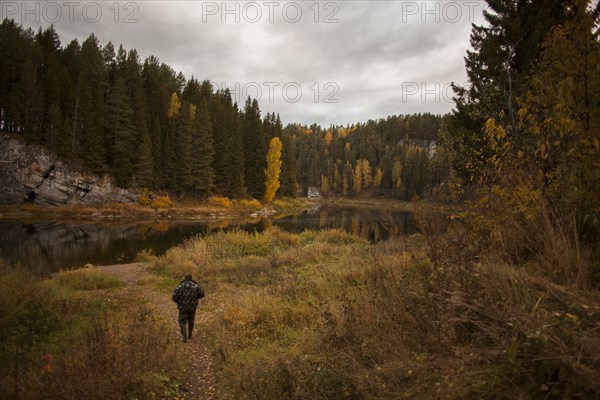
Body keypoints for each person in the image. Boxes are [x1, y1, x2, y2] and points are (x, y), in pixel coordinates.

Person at [172, 273, 205, 343]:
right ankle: (190, 335)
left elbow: (174, 297)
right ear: (191, 278)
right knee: (191, 320)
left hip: (182, 307)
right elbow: (202, 294)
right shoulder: (196, 286)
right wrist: (195, 298)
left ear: (185, 278)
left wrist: (179, 302)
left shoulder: (181, 286)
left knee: (182, 321)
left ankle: (184, 337)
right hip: (193, 307)